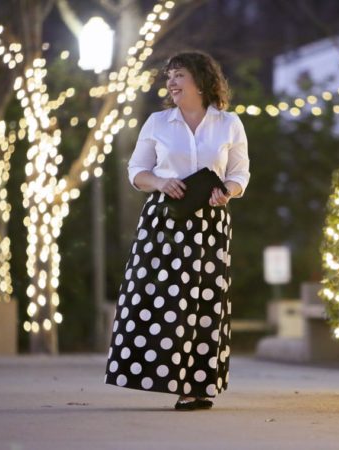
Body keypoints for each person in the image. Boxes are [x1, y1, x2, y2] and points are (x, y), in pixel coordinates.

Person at [104, 51, 250, 411]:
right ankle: (169, 378)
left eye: (178, 74)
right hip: (165, 221)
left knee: (205, 304)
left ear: (200, 80)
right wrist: (160, 181)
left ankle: (198, 387)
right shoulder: (157, 122)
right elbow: (136, 171)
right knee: (165, 301)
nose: (170, 82)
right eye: (169, 76)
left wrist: (226, 191)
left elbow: (240, 174)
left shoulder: (229, 123)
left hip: (211, 224)